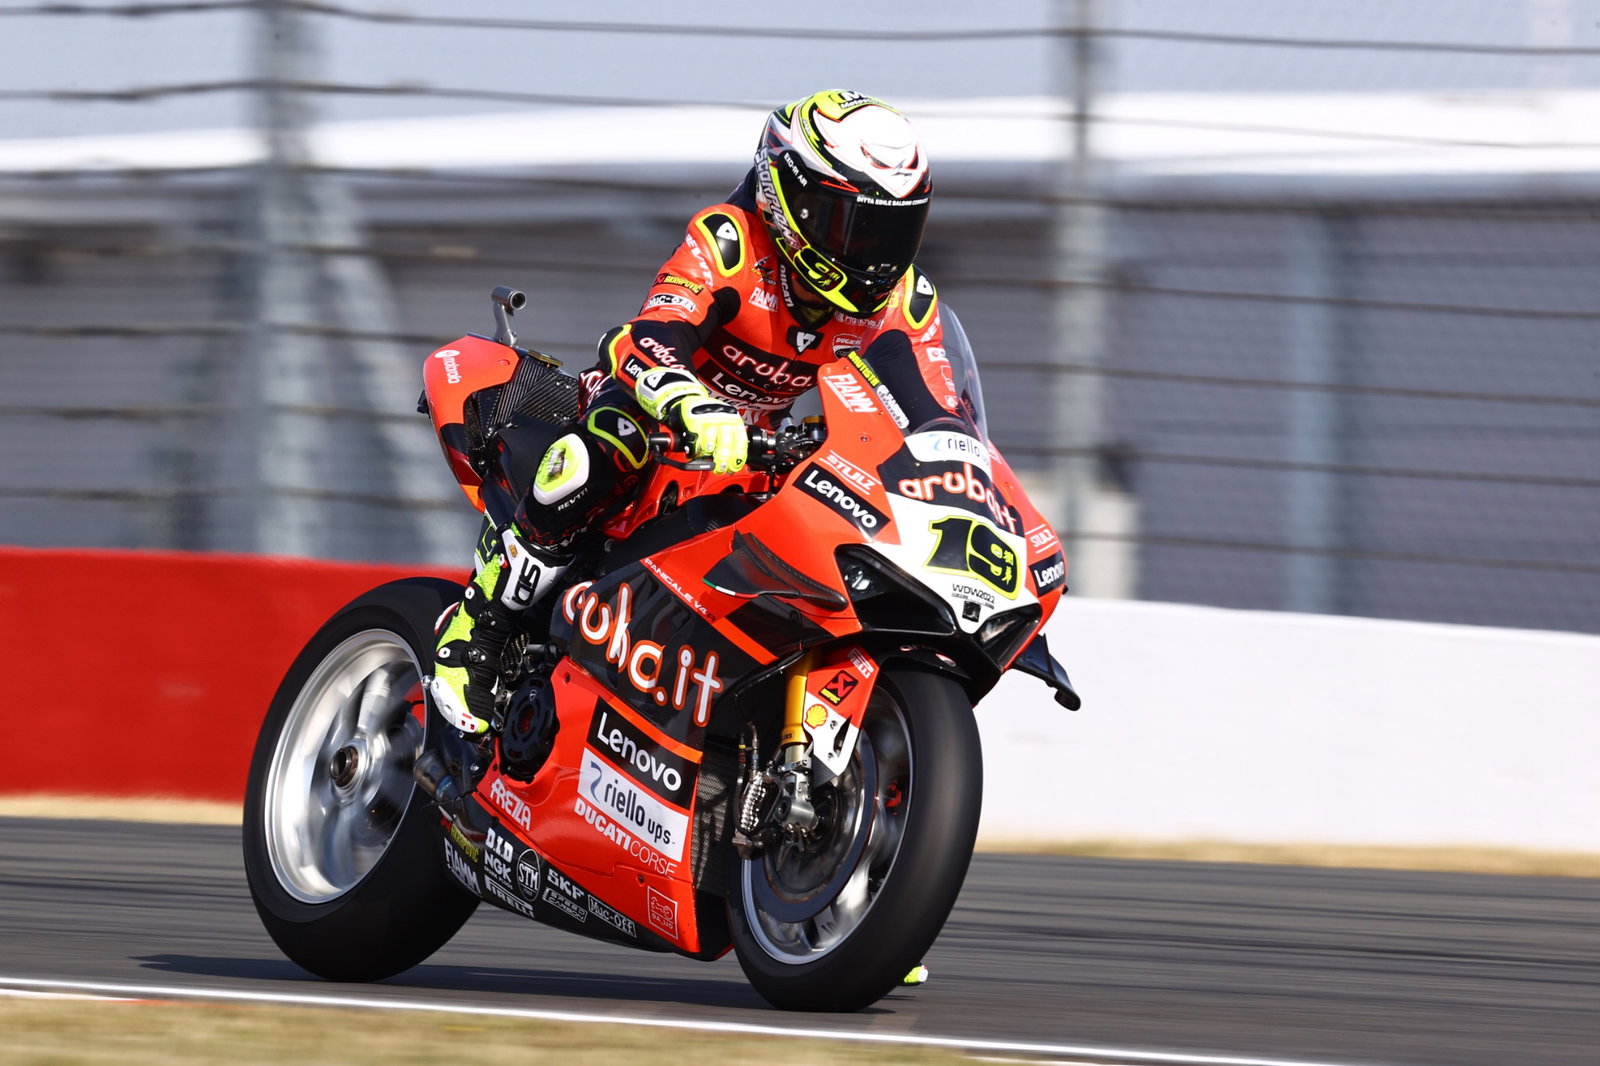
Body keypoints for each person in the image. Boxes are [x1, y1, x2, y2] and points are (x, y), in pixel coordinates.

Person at [428, 88, 957, 740]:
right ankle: (481, 627)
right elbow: (650, 335)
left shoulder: (905, 300)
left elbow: (938, 412)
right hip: (655, 410)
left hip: (761, 450)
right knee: (607, 447)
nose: (876, 255)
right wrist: (692, 404)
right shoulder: (732, 242)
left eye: (895, 231)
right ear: (794, 201)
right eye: (857, 227)